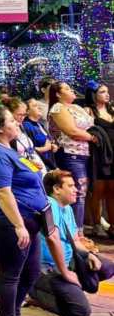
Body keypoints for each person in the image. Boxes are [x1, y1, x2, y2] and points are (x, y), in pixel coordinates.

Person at [0, 106, 72, 316]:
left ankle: (14, 314)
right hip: (5, 222)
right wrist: (18, 225)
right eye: (11, 120)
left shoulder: (9, 149)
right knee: (11, 273)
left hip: (29, 220)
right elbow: (1, 192)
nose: (17, 123)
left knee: (31, 271)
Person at [32, 169, 114, 316]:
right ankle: (37, 293)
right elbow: (53, 239)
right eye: (70, 186)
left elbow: (75, 240)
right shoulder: (49, 205)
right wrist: (65, 272)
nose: (76, 189)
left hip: (68, 262)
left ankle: (70, 289)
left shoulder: (67, 208)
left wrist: (89, 254)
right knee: (80, 311)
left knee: (107, 267)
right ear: (56, 189)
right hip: (48, 269)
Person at [48, 81, 95, 231]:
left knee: (82, 193)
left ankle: (78, 232)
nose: (72, 90)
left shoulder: (76, 107)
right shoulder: (57, 108)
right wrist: (94, 137)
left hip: (86, 154)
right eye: (67, 89)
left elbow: (91, 125)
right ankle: (76, 235)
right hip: (71, 155)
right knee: (75, 194)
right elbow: (72, 131)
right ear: (58, 94)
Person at [85, 82, 114, 238]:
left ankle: (112, 225)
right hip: (98, 156)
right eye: (102, 92)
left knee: (112, 191)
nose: (107, 94)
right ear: (94, 94)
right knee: (98, 191)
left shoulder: (112, 110)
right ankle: (96, 224)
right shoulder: (89, 111)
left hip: (113, 154)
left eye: (107, 91)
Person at [22, 98, 57, 172]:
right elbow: (25, 150)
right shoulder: (26, 126)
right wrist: (45, 148)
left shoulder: (40, 125)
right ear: (27, 111)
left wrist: (52, 146)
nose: (39, 107)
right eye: (35, 106)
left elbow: (48, 142)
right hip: (39, 166)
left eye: (39, 105)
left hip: (50, 164)